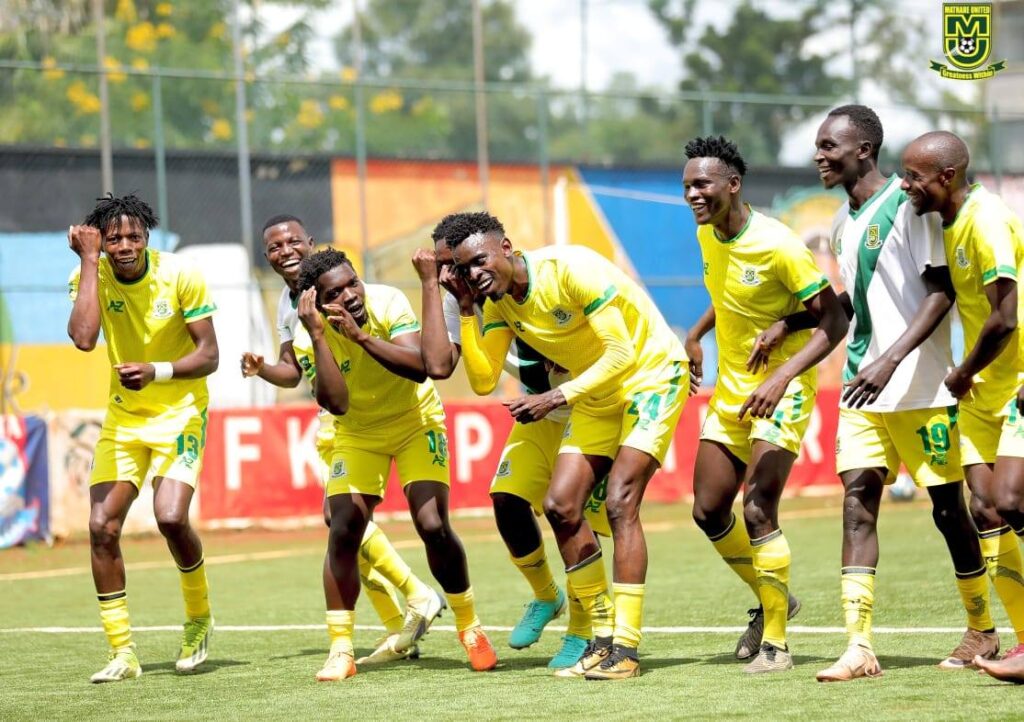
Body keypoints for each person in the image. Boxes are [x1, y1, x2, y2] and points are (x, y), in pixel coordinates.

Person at [762, 106, 998, 680]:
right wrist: (791, 326)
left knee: (949, 510)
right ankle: (859, 646)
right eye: (818, 146)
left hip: (919, 386)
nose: (819, 155)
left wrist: (892, 360)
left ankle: (982, 630)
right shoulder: (846, 222)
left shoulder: (908, 204)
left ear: (863, 149)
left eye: (829, 145)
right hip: (862, 388)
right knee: (857, 503)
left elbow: (938, 293)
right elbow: (857, 301)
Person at [447, 212, 688, 680]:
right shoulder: (495, 304)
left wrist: (556, 396)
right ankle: (600, 637)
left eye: (480, 261)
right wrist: (465, 310)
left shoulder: (570, 269)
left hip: (651, 377)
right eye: (464, 270)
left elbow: (622, 353)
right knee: (560, 506)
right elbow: (480, 380)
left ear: (507, 247)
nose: (475, 274)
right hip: (595, 392)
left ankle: (627, 650)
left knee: (620, 503)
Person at [411, 215, 612, 670]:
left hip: (591, 406)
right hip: (538, 410)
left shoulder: (527, 280)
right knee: (506, 500)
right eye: (444, 266)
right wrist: (444, 296)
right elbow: (441, 366)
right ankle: (547, 596)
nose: (452, 274)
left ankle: (583, 631)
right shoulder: (461, 297)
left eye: (456, 264)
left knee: (576, 517)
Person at [682, 136, 848, 674]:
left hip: (785, 387)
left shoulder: (779, 245)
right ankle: (778, 596)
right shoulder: (708, 233)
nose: (692, 194)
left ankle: (775, 640)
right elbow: (726, 292)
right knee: (708, 509)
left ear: (733, 184)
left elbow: (834, 319)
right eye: (687, 185)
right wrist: (695, 334)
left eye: (702, 184)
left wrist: (781, 373)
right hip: (733, 387)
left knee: (756, 508)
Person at [240, 214, 437, 665]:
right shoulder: (288, 306)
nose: (284, 250)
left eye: (293, 241)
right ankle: (399, 626)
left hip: (380, 413)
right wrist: (262, 368)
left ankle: (416, 593)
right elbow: (293, 372)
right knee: (342, 525)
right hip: (339, 418)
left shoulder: (349, 290)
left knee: (341, 521)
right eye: (273, 246)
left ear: (311, 243)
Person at [292, 248, 496, 681]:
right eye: (335, 292)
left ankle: (470, 627)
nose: (350, 295)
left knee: (432, 525)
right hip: (358, 432)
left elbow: (421, 368)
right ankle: (341, 649)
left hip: (415, 420)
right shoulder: (305, 337)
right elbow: (337, 403)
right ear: (316, 302)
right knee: (343, 526)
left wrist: (362, 337)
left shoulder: (386, 302)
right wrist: (320, 336)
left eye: (353, 283)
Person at [67, 193, 218, 682]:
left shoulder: (181, 274)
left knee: (171, 518)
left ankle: (198, 619)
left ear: (148, 237)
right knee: (101, 526)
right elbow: (85, 338)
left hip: (180, 412)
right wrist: (90, 263)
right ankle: (122, 653)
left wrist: (157, 370)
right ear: (101, 243)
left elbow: (210, 355)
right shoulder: (93, 273)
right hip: (124, 420)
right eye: (114, 238)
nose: (126, 245)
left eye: (135, 236)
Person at [902, 130, 1024, 663]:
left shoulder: (986, 219)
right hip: (981, 392)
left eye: (914, 176)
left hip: (1016, 383)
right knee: (985, 509)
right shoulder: (947, 225)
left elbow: (1005, 317)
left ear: (946, 177)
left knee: (1012, 500)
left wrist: (960, 372)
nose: (907, 186)